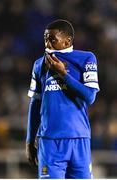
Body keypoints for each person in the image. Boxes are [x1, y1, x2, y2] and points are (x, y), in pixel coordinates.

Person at [26, 19, 99, 179]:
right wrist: (30, 139)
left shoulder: (86, 59)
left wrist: (63, 74)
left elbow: (90, 96)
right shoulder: (39, 65)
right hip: (49, 140)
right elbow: (35, 103)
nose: (48, 44)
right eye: (45, 39)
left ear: (68, 41)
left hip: (79, 138)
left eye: (52, 40)